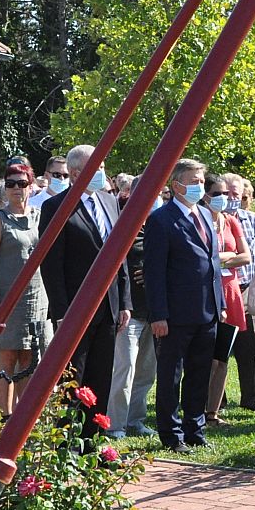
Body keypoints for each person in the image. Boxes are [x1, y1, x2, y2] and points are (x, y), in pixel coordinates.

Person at [38, 145, 131, 422]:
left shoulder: (109, 202)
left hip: (109, 308)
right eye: (97, 168)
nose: (103, 173)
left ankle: (93, 447)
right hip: (75, 310)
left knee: (101, 377)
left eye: (103, 167)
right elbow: (51, 265)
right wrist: (62, 312)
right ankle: (67, 446)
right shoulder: (56, 207)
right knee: (72, 380)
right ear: (77, 173)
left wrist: (124, 301)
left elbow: (119, 253)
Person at [145, 159, 224, 450]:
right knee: (171, 376)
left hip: (207, 312)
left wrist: (221, 303)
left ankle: (195, 430)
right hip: (175, 315)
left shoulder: (204, 214)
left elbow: (213, 263)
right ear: (176, 185)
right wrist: (159, 314)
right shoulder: (161, 220)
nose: (199, 186)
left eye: (201, 181)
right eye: (193, 181)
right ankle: (171, 434)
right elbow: (154, 273)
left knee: (200, 373)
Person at [0, 164, 50, 417]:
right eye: (11, 184)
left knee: (31, 356)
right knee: (8, 356)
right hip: (8, 297)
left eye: (22, 183)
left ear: (31, 186)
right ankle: (6, 414)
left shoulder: (39, 215)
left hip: (37, 296)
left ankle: (25, 413)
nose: (16, 189)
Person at [108, 180, 157, 439]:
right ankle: (115, 424)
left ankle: (135, 420)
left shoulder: (157, 227)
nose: (155, 198)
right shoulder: (122, 227)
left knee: (146, 372)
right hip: (129, 312)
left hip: (154, 311)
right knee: (124, 370)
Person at [202, 173, 252, 425]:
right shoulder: (198, 220)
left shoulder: (232, 221)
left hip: (230, 292)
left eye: (225, 194)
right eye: (216, 194)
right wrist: (223, 257)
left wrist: (220, 258)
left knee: (222, 356)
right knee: (204, 355)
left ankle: (213, 412)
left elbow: (246, 256)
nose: (222, 199)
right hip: (205, 292)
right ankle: (197, 407)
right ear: (205, 195)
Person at [227, 173, 255, 410]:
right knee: (218, 349)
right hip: (220, 290)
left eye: (236, 193)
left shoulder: (253, 220)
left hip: (247, 290)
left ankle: (251, 397)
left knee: (248, 347)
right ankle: (216, 400)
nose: (232, 197)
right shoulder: (210, 219)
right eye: (227, 192)